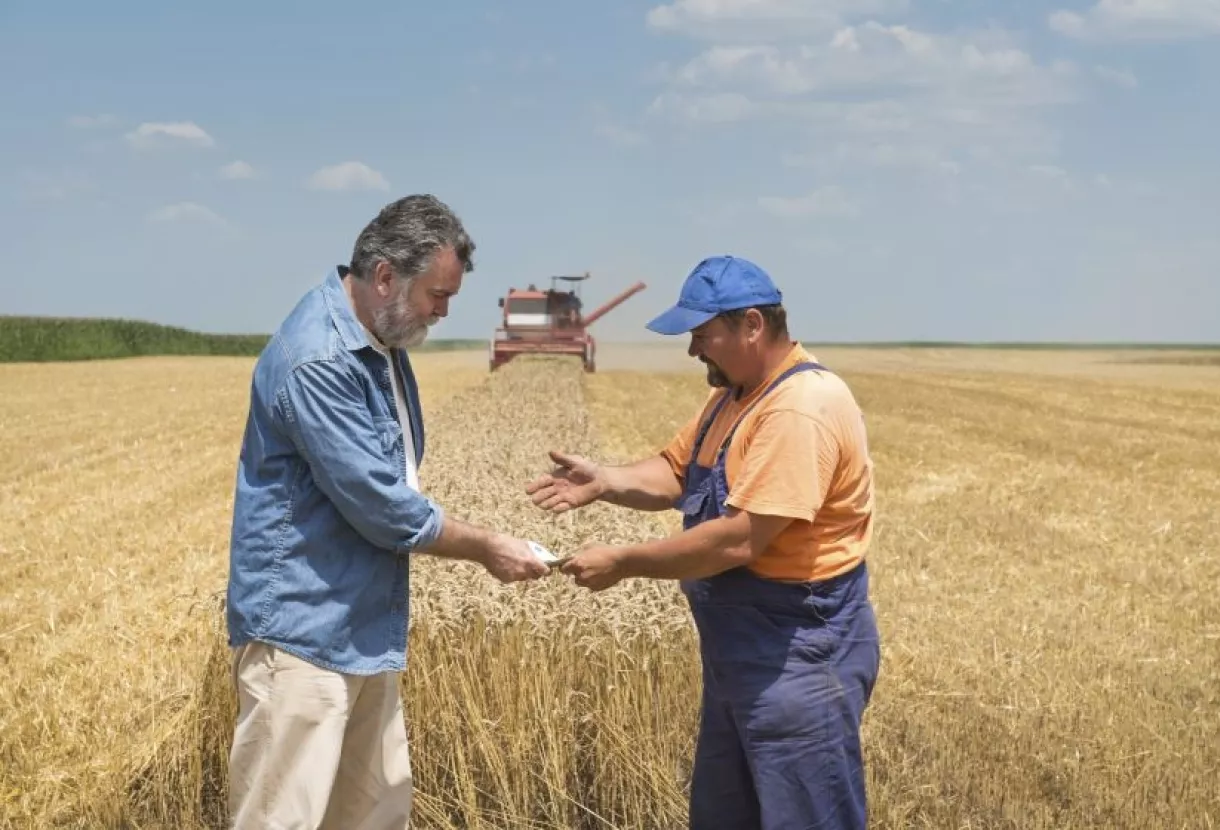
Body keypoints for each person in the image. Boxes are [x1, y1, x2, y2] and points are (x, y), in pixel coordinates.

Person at [225, 194, 550, 830]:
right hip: (302, 634)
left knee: (375, 813)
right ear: (383, 277)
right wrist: (487, 545)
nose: (443, 310)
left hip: (359, 625)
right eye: (437, 294)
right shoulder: (319, 358)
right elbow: (381, 507)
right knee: (282, 818)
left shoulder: (380, 342)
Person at [525, 254, 881, 830]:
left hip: (800, 657)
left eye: (702, 334)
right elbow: (677, 470)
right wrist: (606, 480)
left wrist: (623, 561)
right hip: (741, 656)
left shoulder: (800, 407)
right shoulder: (736, 395)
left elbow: (739, 540)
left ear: (752, 326)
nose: (693, 350)